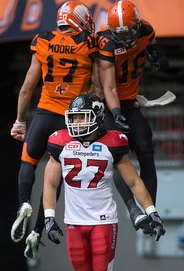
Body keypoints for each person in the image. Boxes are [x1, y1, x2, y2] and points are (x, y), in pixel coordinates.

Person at [9, 0, 100, 260]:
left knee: (28, 162)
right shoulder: (87, 44)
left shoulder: (43, 40)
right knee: (54, 177)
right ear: (78, 20)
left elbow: (27, 87)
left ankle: (24, 203)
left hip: (44, 113)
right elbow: (96, 84)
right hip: (73, 120)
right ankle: (38, 228)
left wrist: (20, 121)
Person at [42, 93, 165, 271]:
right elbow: (50, 184)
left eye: (82, 117)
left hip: (104, 221)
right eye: (74, 117)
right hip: (74, 222)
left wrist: (152, 212)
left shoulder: (113, 142)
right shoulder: (60, 142)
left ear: (97, 117)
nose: (76, 123)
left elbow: (133, 182)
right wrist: (49, 218)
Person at [96, 0, 169, 226]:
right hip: (109, 104)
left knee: (146, 153)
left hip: (130, 101)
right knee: (118, 155)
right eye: (121, 34)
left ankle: (151, 211)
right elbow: (108, 87)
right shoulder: (106, 42)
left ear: (136, 25)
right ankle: (133, 209)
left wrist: (159, 57)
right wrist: (116, 113)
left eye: (129, 33)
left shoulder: (145, 30)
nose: (126, 38)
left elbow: (154, 49)